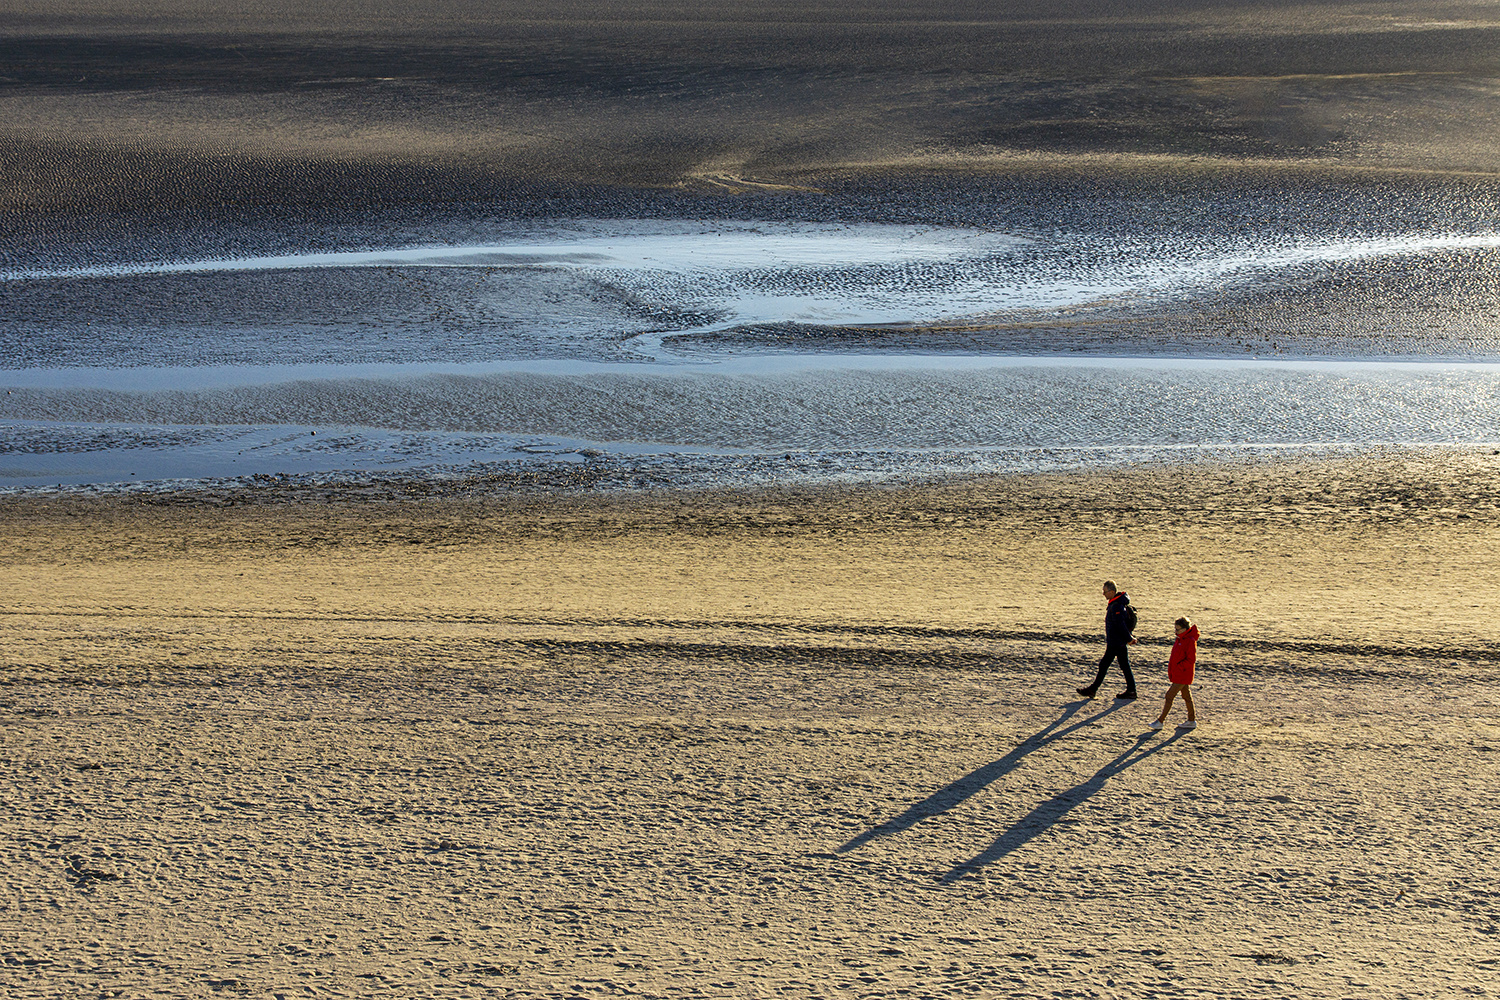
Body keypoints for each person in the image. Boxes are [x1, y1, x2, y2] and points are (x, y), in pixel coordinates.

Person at [1077, 580, 1137, 700]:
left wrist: (1129, 639)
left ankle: (1093, 689)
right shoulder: (1116, 603)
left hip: (1116, 642)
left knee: (1105, 665)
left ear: (1112, 592)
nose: (1103, 594)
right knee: (1122, 665)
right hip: (1116, 641)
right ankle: (1131, 690)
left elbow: (1120, 625)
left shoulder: (1117, 606)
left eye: (1105, 591)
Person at [1149, 617, 1199, 730]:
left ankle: (1160, 721)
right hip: (1179, 673)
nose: (1176, 632)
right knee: (1186, 696)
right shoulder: (1180, 639)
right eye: (1175, 629)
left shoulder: (1189, 640)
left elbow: (1191, 660)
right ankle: (1191, 720)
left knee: (1169, 696)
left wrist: (1178, 667)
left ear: (1186, 629)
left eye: (1178, 629)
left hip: (1183, 674)